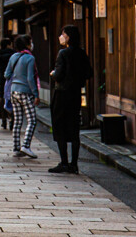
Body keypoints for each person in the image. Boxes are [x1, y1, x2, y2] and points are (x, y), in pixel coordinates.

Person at [48, 25, 94, 174]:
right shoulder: (81, 53)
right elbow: (89, 73)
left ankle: (64, 162)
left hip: (62, 94)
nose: (61, 36)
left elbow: (59, 74)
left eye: (63, 34)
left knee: (60, 126)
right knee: (74, 128)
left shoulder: (63, 53)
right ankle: (74, 164)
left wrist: (53, 74)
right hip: (75, 94)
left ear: (67, 37)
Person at [4, 34, 39, 158]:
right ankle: (26, 145)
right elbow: (30, 77)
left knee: (17, 120)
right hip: (25, 91)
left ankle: (16, 148)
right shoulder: (30, 58)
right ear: (27, 44)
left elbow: (7, 74)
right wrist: (35, 93)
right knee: (32, 120)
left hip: (14, 91)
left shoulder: (13, 57)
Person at [0, 38, 16, 129]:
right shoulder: (14, 54)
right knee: (12, 98)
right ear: (8, 45)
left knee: (2, 96)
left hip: (2, 78)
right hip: (13, 78)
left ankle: (3, 119)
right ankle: (12, 119)